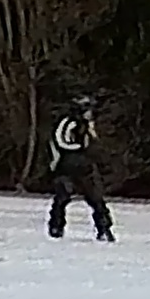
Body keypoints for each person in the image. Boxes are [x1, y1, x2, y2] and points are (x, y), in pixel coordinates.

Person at [47, 97, 113, 242]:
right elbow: (59, 140)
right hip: (67, 165)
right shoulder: (69, 122)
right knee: (62, 197)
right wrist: (77, 149)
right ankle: (56, 227)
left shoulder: (88, 125)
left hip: (85, 165)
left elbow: (94, 142)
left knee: (96, 198)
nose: (90, 113)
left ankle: (104, 229)